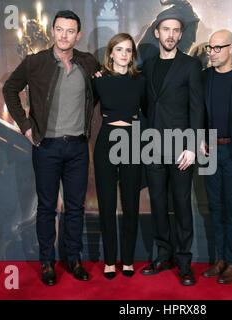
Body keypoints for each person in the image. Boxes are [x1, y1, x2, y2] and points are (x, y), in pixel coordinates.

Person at [2, 10, 99, 286]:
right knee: (46, 207)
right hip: (46, 146)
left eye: (70, 31)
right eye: (60, 29)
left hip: (78, 147)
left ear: (77, 35)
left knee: (75, 207)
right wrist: (26, 125)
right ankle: (47, 262)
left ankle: (74, 259)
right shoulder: (35, 62)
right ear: (52, 31)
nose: (64, 35)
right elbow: (10, 89)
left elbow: (98, 93)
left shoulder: (88, 62)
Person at [139, 8, 204, 286]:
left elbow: (197, 107)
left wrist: (192, 145)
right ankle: (162, 255)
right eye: (166, 30)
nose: (171, 35)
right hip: (153, 145)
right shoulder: (148, 65)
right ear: (157, 32)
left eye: (176, 30)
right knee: (157, 203)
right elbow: (143, 104)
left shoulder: (190, 65)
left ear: (180, 34)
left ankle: (184, 262)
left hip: (181, 148)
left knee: (181, 205)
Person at [200, 30, 232, 284]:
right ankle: (220, 260)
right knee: (216, 208)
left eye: (217, 48)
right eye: (210, 48)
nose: (212, 52)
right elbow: (195, 112)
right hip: (210, 151)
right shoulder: (202, 78)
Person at [92, 33, 145, 279]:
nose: (124, 54)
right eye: (119, 49)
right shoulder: (98, 80)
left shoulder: (140, 80)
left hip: (132, 140)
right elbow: (82, 108)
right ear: (111, 53)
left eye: (128, 50)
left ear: (132, 55)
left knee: (131, 205)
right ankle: (110, 261)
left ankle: (127, 260)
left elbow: (149, 114)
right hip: (107, 141)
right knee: (107, 204)